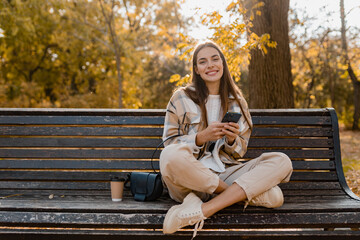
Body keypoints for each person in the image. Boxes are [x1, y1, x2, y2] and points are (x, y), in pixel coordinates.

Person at [160, 41, 293, 237]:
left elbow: (239, 152)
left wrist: (232, 140)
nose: (210, 65)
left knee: (282, 161)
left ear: (223, 63)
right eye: (203, 62)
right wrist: (200, 137)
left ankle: (203, 210)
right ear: (196, 69)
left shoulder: (238, 102)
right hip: (189, 179)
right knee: (170, 155)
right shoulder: (181, 97)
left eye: (215, 59)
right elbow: (169, 143)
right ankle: (237, 194)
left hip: (224, 171)